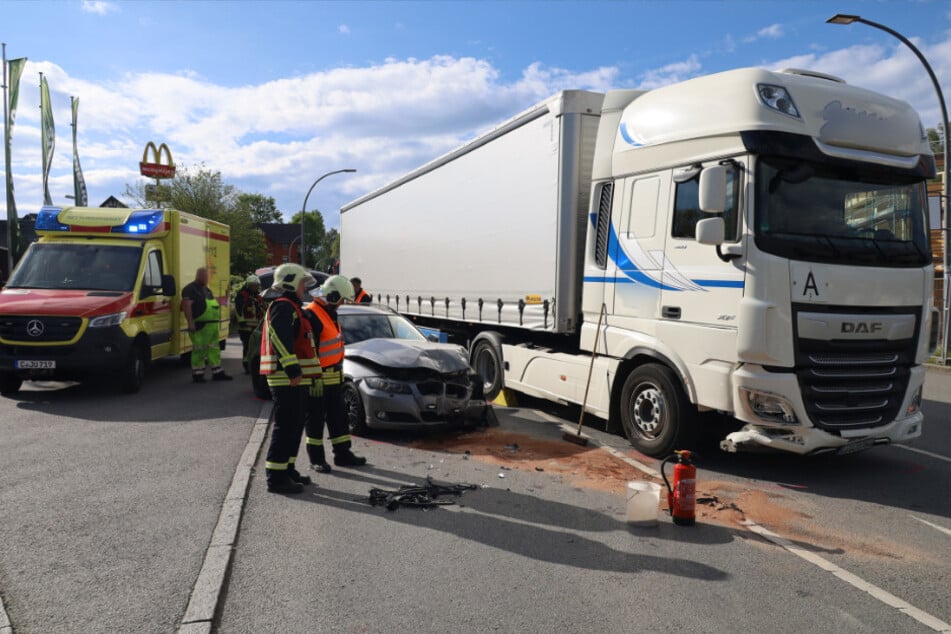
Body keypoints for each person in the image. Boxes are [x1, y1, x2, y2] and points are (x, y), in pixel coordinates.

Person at [259, 263, 322, 494]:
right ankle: (276, 479)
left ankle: (287, 469)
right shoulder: (283, 307)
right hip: (286, 379)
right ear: (290, 283)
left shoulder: (293, 307)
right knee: (285, 428)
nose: (305, 287)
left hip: (296, 379)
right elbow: (279, 338)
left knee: (294, 427)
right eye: (302, 283)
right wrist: (293, 370)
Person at [303, 275, 367, 472]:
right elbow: (308, 350)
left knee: (339, 418)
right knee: (314, 421)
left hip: (334, 377)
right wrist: (313, 379)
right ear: (332, 296)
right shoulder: (312, 314)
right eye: (341, 300)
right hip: (318, 379)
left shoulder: (329, 312)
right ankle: (316, 459)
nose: (341, 305)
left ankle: (342, 454)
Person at [181, 267, 232, 383]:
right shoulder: (190, 289)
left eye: (207, 277)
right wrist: (190, 322)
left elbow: (215, 303)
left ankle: (217, 372)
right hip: (200, 325)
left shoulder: (207, 290)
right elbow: (186, 306)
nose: (206, 279)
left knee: (214, 349)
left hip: (212, 326)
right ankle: (198, 374)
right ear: (198, 276)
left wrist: (226, 296)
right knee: (199, 349)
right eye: (204, 276)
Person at [235, 274, 266, 372]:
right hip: (246, 328)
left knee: (258, 348)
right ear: (248, 285)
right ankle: (247, 366)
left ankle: (256, 366)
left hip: (258, 328)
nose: (255, 287)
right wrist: (241, 320)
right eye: (253, 285)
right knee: (248, 347)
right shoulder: (242, 295)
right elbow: (238, 309)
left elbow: (263, 309)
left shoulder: (258, 296)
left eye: (256, 285)